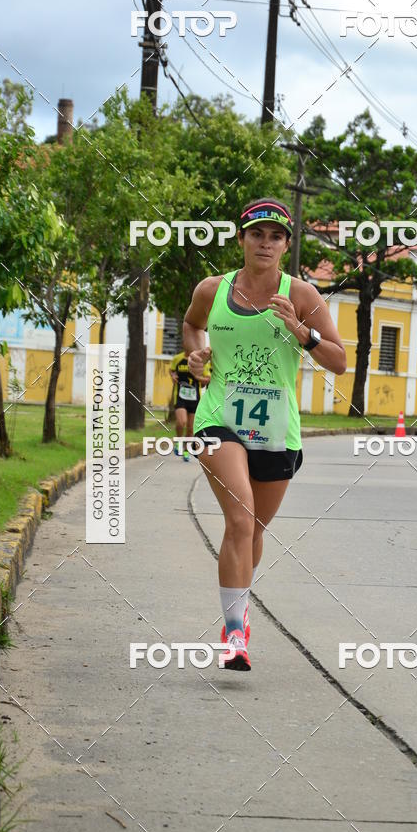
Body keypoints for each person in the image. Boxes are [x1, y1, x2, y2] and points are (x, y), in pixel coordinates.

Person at [183, 197, 346, 671]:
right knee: (239, 520)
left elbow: (339, 360)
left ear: (286, 245)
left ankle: (240, 606)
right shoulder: (212, 290)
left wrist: (301, 331)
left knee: (253, 529)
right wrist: (196, 356)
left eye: (276, 236)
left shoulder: (303, 296)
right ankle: (234, 634)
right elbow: (192, 326)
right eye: (257, 234)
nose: (265, 243)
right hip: (218, 419)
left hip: (276, 430)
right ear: (241, 239)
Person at [169, 350, 201, 461]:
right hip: (180, 397)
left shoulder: (200, 360)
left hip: (194, 398)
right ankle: (178, 442)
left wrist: (199, 378)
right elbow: (171, 370)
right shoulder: (178, 358)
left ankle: (186, 452)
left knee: (190, 429)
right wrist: (173, 375)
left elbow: (207, 378)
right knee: (181, 422)